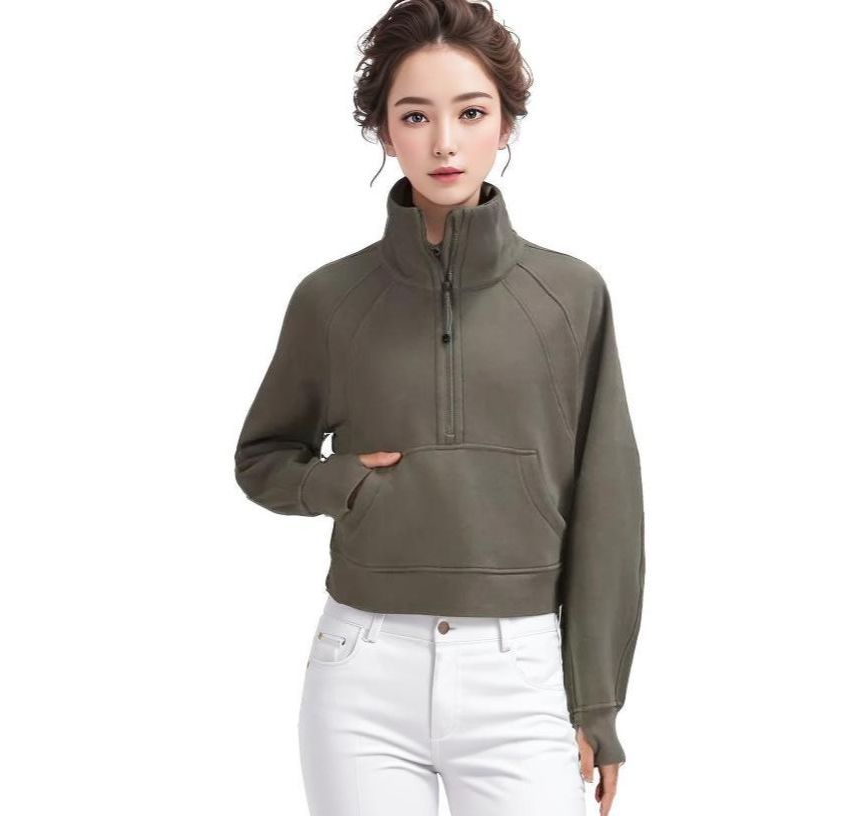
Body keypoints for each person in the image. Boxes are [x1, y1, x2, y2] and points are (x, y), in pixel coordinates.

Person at [233, 1, 645, 814]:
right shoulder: (330, 299)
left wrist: (597, 702)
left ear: (506, 123)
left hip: (521, 672)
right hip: (362, 666)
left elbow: (609, 506)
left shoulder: (569, 297)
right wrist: (339, 482)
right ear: (385, 132)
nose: (444, 143)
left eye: (471, 113)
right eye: (415, 115)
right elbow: (262, 458)